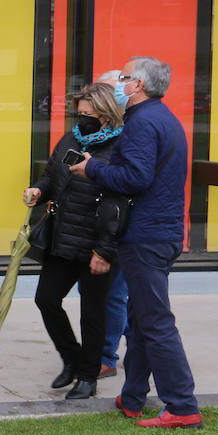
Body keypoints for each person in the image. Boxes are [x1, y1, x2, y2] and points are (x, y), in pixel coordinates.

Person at [70, 57, 199, 428]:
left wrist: (91, 168)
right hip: (156, 232)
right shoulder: (161, 118)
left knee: (155, 322)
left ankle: (182, 406)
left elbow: (136, 177)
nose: (118, 83)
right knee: (141, 319)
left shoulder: (143, 123)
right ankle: (132, 397)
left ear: (138, 85)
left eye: (124, 77)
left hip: (147, 235)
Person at [23, 83, 125, 400]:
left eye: (87, 114)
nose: (81, 120)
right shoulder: (72, 140)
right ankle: (72, 358)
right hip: (64, 237)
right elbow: (54, 176)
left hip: (96, 243)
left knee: (92, 313)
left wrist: (105, 250)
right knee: (46, 299)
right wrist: (39, 191)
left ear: (106, 114)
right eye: (78, 113)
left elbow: (119, 203)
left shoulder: (120, 149)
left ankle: (87, 376)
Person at [95, 69, 130, 378]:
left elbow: (127, 182)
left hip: (118, 225)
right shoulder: (92, 131)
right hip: (95, 224)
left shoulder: (131, 132)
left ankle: (107, 356)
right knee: (112, 294)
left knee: (113, 294)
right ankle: (139, 344)